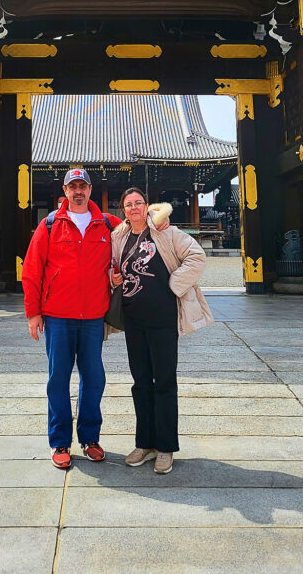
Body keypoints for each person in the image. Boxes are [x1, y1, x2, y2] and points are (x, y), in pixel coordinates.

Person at [21, 167, 121, 471]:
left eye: (83, 186)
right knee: (58, 380)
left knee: (94, 379)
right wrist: (33, 312)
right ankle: (60, 442)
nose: (78, 191)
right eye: (72, 186)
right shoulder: (50, 224)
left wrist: (160, 218)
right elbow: (32, 270)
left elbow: (139, 227)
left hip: (93, 317)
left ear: (90, 190)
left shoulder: (107, 223)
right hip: (57, 315)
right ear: (65, 191)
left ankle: (90, 439)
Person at [110, 188, 214, 475]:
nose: (133, 208)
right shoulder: (118, 236)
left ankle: (166, 447)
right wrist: (113, 276)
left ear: (147, 207)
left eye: (138, 203)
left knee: (165, 382)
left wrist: (174, 284)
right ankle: (145, 443)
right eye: (128, 204)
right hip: (134, 319)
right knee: (140, 381)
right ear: (123, 209)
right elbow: (111, 266)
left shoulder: (168, 233)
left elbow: (196, 256)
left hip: (163, 319)